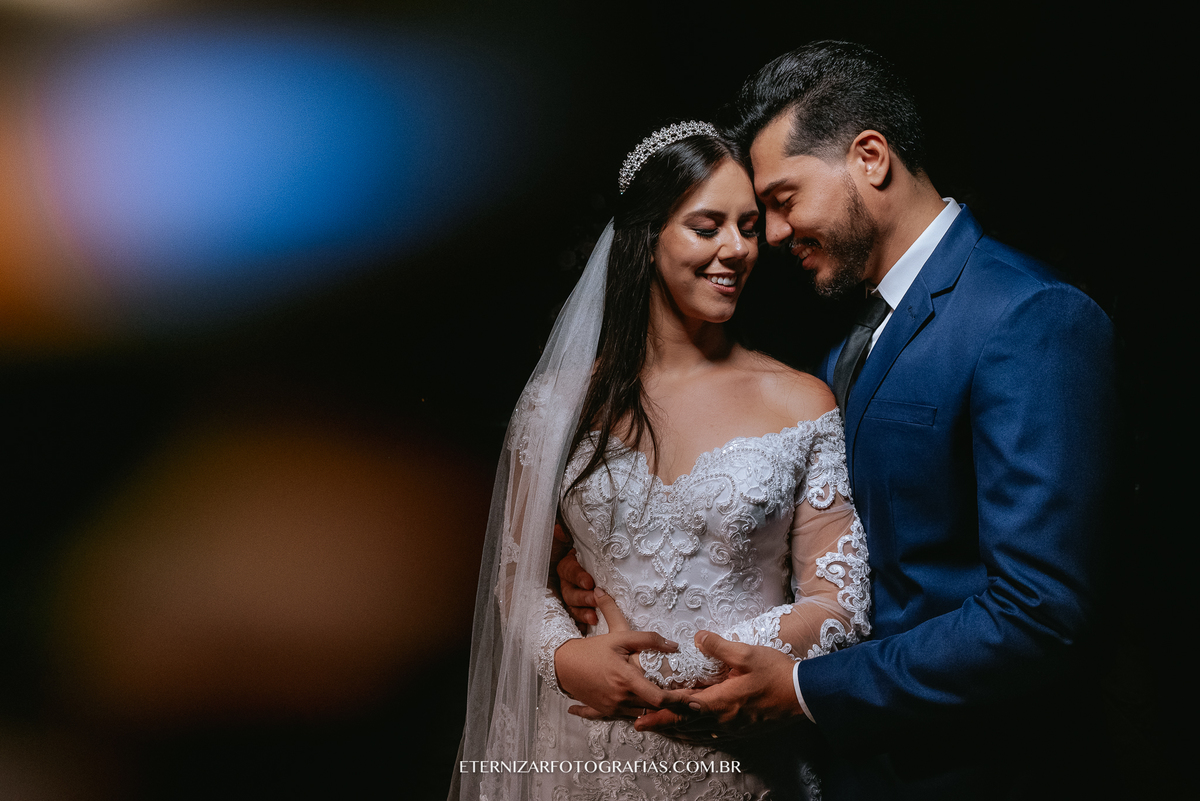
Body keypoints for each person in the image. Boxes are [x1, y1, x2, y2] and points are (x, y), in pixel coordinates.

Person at [560, 42, 1118, 799]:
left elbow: (1038, 612)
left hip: (963, 771)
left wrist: (807, 688)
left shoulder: (1026, 315)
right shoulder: (848, 341)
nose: (775, 235)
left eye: (783, 200)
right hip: (846, 769)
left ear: (870, 157)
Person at [450, 122, 871, 801]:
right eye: (707, 227)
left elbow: (841, 598)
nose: (736, 249)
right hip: (584, 755)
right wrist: (565, 658)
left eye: (748, 227)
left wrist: (698, 664)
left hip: (740, 755)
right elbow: (515, 571)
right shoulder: (558, 403)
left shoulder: (799, 400)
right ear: (647, 239)